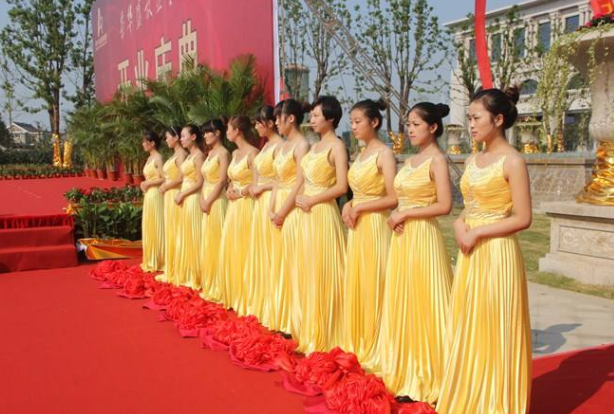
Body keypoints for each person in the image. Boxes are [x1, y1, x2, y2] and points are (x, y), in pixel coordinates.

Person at [437, 87, 532, 414]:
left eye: (477, 118)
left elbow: (523, 218)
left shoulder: (513, 161)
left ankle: (497, 403)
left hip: (497, 253)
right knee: (470, 324)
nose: (471, 125)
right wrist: (460, 224)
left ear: (499, 119)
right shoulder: (472, 159)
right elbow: (470, 206)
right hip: (472, 252)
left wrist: (477, 232)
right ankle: (472, 396)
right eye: (470, 118)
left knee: (496, 326)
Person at [379, 103, 453, 404]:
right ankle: (407, 368)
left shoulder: (437, 160)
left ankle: (432, 373)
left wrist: (406, 214)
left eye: (416, 124)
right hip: (403, 239)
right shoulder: (410, 160)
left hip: (424, 238)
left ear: (432, 127)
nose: (409, 129)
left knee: (427, 303)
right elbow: (400, 199)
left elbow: (445, 206)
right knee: (405, 302)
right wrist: (397, 213)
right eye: (408, 124)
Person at [341, 98, 396, 370]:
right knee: (359, 281)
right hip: (358, 226)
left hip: (375, 225)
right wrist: (350, 204)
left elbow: (393, 197)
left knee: (375, 281)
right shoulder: (360, 154)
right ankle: (359, 338)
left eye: (358, 121)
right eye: (351, 122)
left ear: (374, 122)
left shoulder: (384, 154)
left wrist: (361, 206)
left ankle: (378, 343)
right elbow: (357, 192)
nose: (353, 126)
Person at [295, 96, 348, 354]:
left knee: (324, 272)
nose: (312, 119)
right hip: (306, 215)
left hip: (324, 214)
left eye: (317, 116)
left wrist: (312, 199)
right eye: (312, 115)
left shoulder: (337, 147)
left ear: (331, 118)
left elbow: (342, 186)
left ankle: (328, 332)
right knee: (307, 271)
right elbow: (302, 180)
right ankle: (309, 329)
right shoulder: (314, 147)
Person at [266, 99, 310, 335]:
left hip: (292, 208)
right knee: (279, 263)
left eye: (278, 118)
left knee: (293, 264)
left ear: (290, 118)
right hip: (278, 206)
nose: (275, 122)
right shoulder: (282, 147)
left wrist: (283, 211)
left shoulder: (302, 145)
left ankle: (295, 320)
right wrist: (271, 208)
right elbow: (276, 180)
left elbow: (300, 182)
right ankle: (281, 315)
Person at [244, 106, 284, 321]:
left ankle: (275, 301)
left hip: (272, 200)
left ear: (269, 123)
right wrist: (251, 187)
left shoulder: (279, 146)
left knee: (272, 250)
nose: (257, 127)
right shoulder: (266, 146)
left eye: (259, 123)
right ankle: (262, 299)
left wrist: (262, 187)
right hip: (259, 202)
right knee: (260, 249)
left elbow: (282, 179)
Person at [218, 115, 259, 314]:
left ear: (237, 131)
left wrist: (241, 192)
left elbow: (257, 183)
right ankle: (235, 293)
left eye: (229, 128)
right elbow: (232, 179)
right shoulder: (234, 154)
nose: (226, 132)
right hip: (233, 206)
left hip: (247, 205)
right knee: (231, 247)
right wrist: (229, 189)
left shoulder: (253, 153)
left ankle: (248, 296)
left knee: (245, 248)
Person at [199, 119, 230, 301]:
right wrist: (202, 199)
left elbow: (222, 180)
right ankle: (209, 281)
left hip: (217, 201)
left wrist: (209, 200)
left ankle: (220, 283)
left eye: (207, 132)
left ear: (218, 133)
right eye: (203, 133)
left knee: (217, 242)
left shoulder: (224, 153)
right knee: (208, 242)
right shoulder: (210, 153)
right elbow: (204, 179)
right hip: (206, 198)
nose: (205, 136)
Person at [175, 124, 205, 289]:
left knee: (194, 236)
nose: (181, 139)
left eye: (184, 136)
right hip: (186, 198)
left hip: (193, 198)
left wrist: (184, 194)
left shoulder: (199, 156)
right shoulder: (188, 157)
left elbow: (200, 182)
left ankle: (197, 274)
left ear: (193, 137)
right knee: (186, 235)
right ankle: (188, 271)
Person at [155, 127, 186, 284]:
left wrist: (167, 186)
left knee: (176, 231)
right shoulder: (174, 154)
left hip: (175, 194)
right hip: (169, 195)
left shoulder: (181, 154)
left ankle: (179, 267)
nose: (166, 140)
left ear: (176, 137)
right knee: (170, 231)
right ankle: (172, 266)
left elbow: (181, 178)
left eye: (168, 137)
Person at [140, 131, 166, 272]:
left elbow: (164, 178)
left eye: (145, 142)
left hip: (156, 194)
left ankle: (160, 259)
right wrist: (144, 184)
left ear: (152, 143)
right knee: (149, 224)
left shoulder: (158, 158)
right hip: (149, 195)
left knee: (157, 224)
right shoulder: (149, 158)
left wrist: (149, 183)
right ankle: (150, 257)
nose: (143, 144)